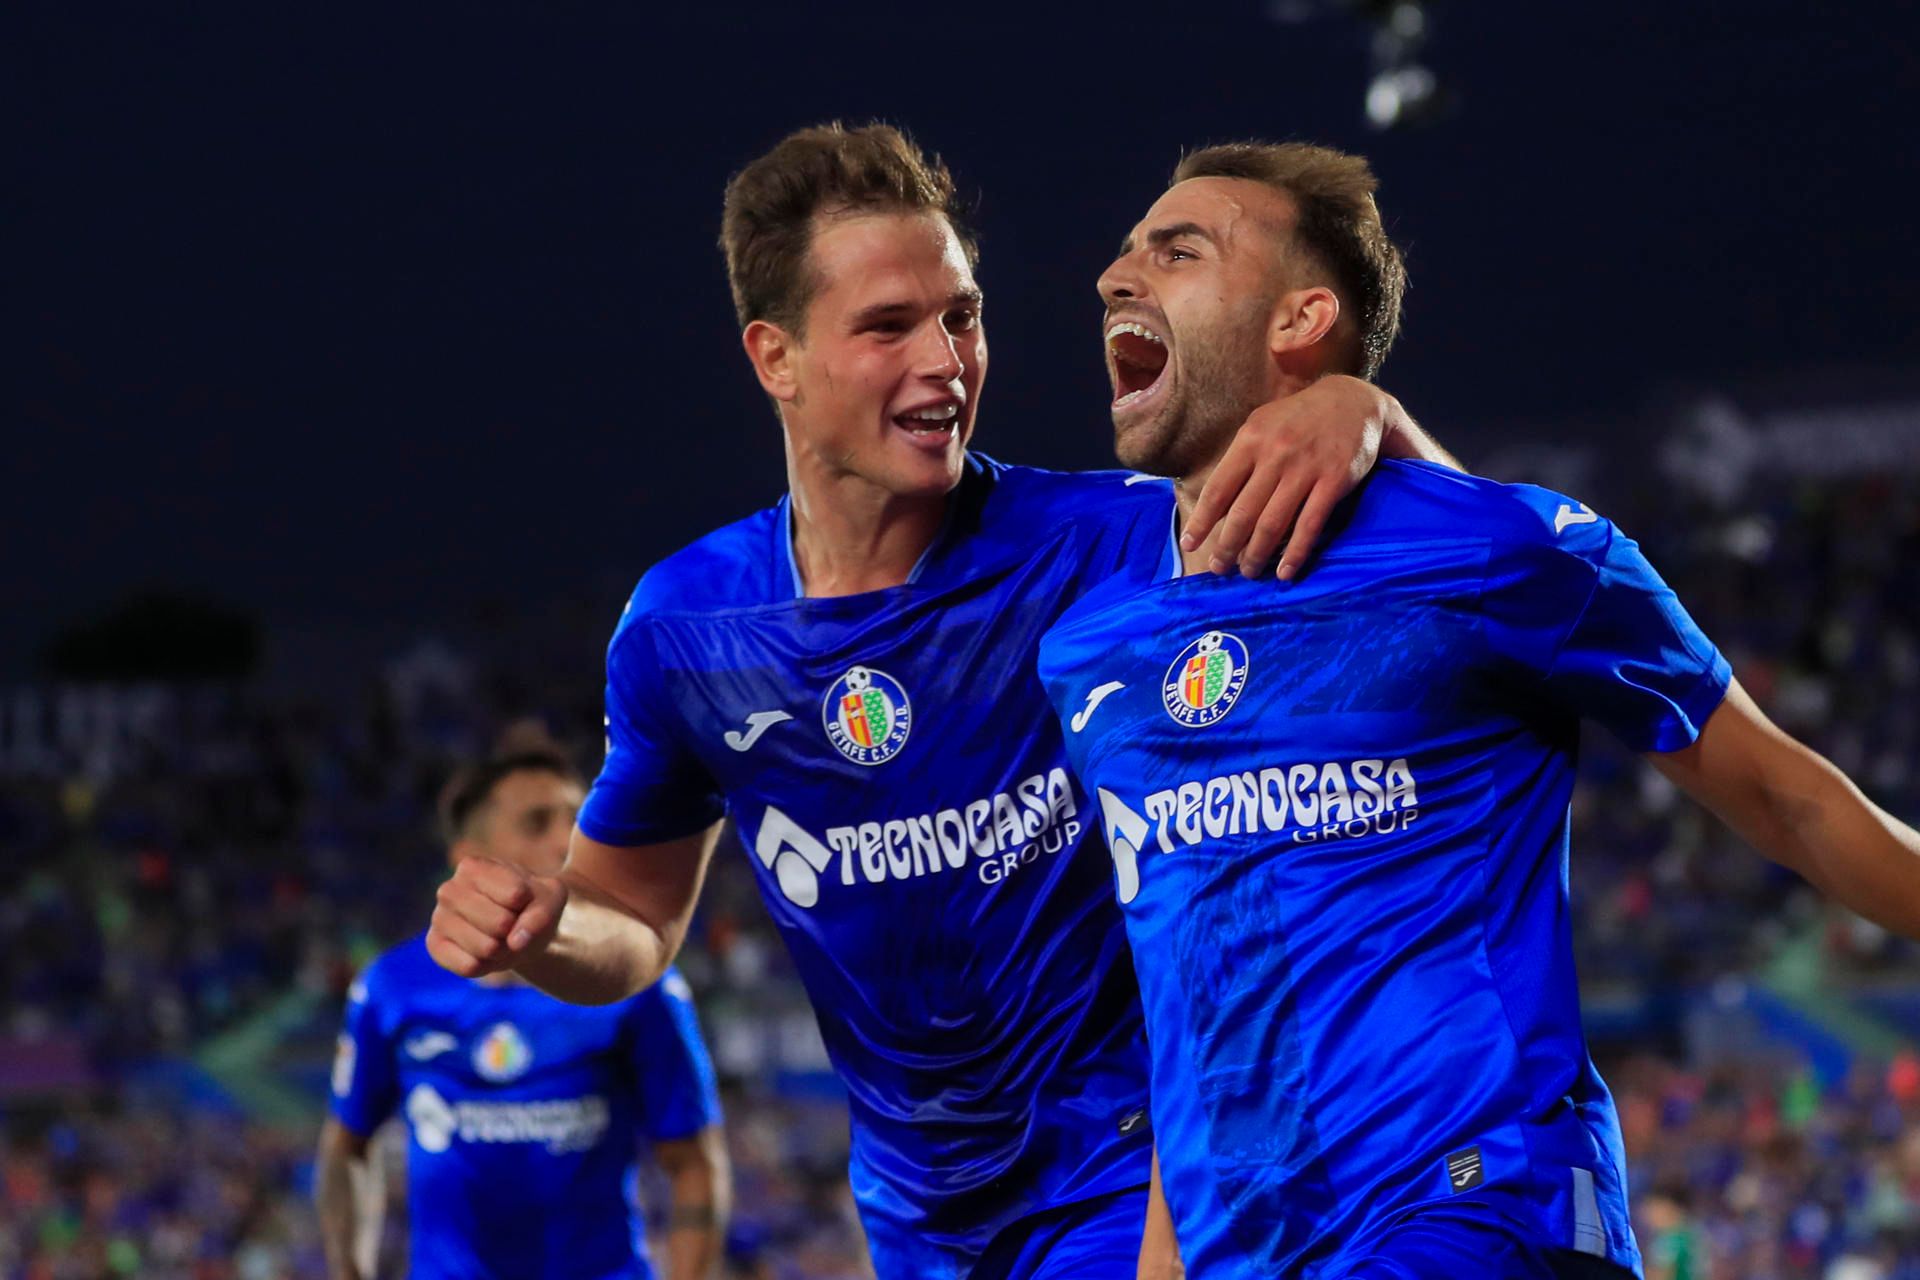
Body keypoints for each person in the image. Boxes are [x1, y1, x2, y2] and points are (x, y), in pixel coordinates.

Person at [424, 123, 1458, 1278]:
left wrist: (1369, 417)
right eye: (886, 327)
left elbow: (1448, 579)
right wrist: (547, 923)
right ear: (776, 358)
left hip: (1139, 1183)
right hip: (919, 1223)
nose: (946, 361)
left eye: (960, 315)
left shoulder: (1117, 540)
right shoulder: (687, 631)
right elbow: (635, 919)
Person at [1037, 140, 1920, 1279]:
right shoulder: (1093, 646)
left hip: (1481, 1203)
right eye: (1123, 252)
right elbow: (1190, 1004)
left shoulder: (1497, 548)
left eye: (1178, 249)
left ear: (1302, 317)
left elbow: (1790, 797)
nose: (1116, 274)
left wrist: (1377, 415)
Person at [318, 731, 728, 1280]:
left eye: (577, 817)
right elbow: (347, 1147)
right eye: (539, 823)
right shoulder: (391, 988)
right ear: (471, 860)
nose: (570, 838)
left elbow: (694, 1164)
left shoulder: (639, 985)